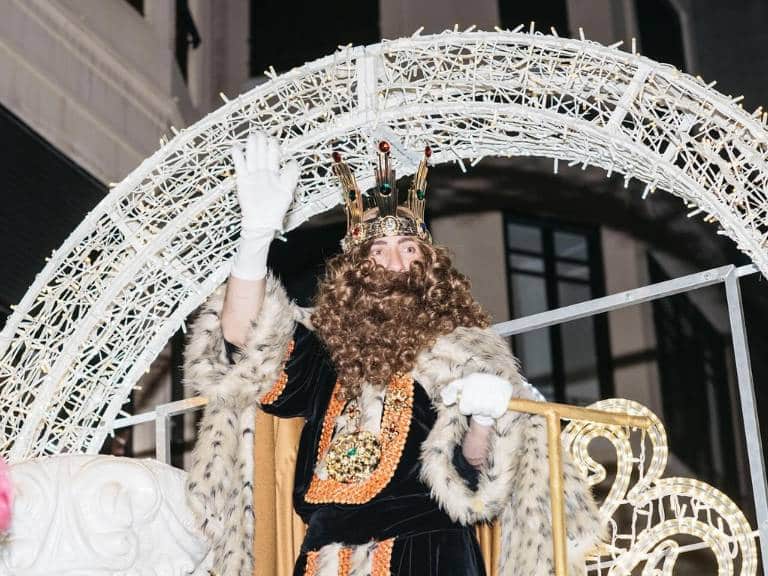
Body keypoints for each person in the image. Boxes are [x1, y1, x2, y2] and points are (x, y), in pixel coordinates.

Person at [185, 132, 602, 575]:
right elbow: (245, 342)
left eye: (408, 249)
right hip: (325, 557)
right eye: (378, 251)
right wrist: (253, 242)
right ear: (355, 273)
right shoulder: (326, 353)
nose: (395, 262)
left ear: (430, 266)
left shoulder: (465, 356)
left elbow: (476, 476)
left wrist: (484, 418)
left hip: (427, 551)